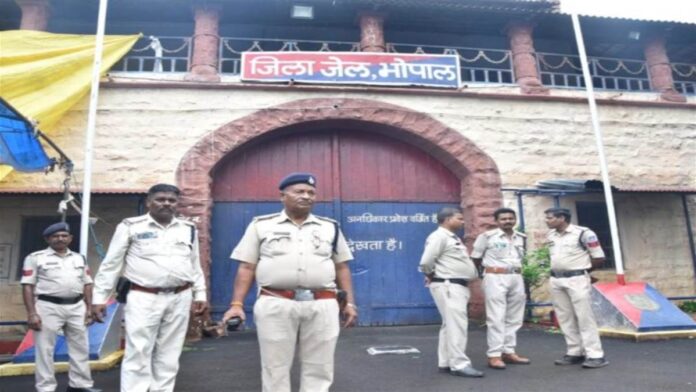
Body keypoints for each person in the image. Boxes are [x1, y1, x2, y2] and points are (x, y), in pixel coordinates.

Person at [221, 172, 358, 392]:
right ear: (282, 196)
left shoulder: (329, 227)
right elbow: (246, 267)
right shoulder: (261, 226)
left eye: (311, 192)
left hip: (322, 304)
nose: (306, 196)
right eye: (299, 191)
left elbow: (342, 267)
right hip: (275, 302)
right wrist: (236, 305)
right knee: (275, 365)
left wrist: (349, 303)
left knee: (320, 366)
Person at [91, 184, 208, 392]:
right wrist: (99, 298)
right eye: (160, 199)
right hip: (143, 296)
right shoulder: (130, 226)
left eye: (171, 200)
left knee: (170, 352)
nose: (166, 203)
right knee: (139, 350)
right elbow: (111, 264)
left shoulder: (187, 229)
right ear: (148, 202)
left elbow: (194, 264)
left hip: (180, 296)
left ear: (177, 204)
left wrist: (200, 293)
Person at [20, 222, 101, 392]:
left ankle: (80, 385)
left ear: (70, 238)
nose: (60, 239)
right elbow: (27, 286)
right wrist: (31, 313)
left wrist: (88, 308)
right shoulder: (35, 258)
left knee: (80, 348)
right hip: (48, 307)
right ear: (48, 239)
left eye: (64, 236)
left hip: (76, 306)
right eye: (55, 236)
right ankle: (46, 387)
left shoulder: (79, 258)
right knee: (45, 350)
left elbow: (87, 284)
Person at [418, 207, 484, 378]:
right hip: (448, 285)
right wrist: (432, 275)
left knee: (450, 325)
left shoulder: (451, 237)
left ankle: (445, 362)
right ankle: (459, 364)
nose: (463, 222)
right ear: (447, 219)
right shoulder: (439, 236)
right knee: (457, 326)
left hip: (454, 285)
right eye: (459, 219)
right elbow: (426, 262)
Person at [544, 207, 608, 369]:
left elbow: (598, 257)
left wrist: (584, 271)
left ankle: (595, 355)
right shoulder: (551, 235)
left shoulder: (583, 233)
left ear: (562, 218)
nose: (547, 221)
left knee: (584, 316)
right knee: (565, 317)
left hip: (577, 279)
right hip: (557, 279)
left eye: (550, 218)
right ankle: (574, 352)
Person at [471, 208, 530, 370]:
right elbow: (475, 259)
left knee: (515, 317)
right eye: (503, 219)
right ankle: (494, 355)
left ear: (515, 220)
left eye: (511, 218)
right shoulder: (486, 237)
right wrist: (480, 278)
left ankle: (508, 351)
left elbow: (522, 258)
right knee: (496, 317)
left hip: (516, 277)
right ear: (496, 221)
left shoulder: (521, 238)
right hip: (495, 277)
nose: (507, 221)